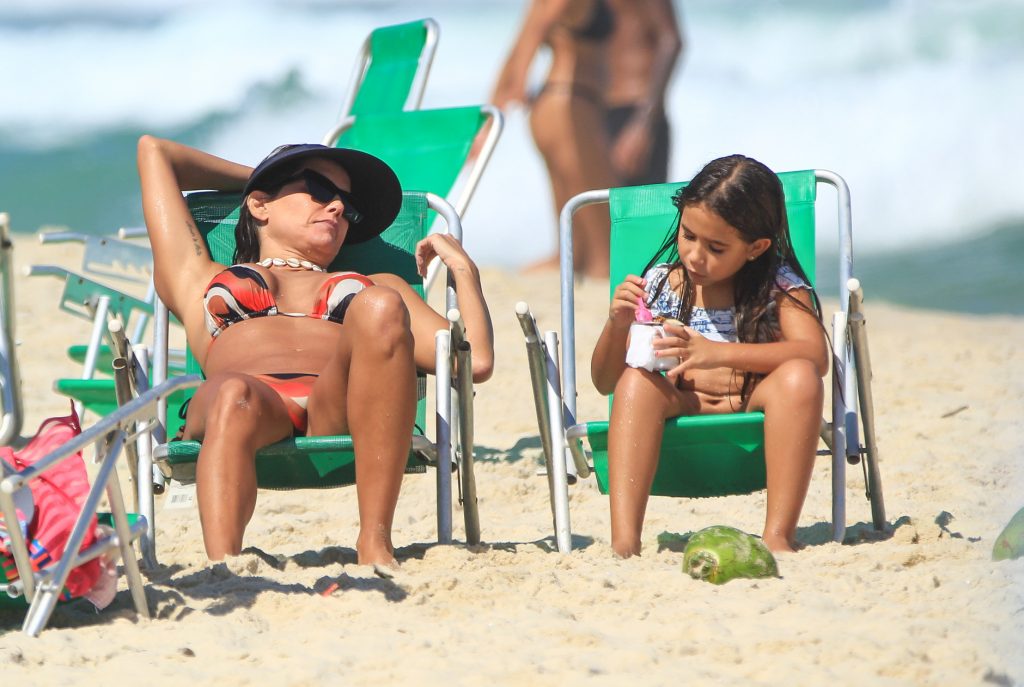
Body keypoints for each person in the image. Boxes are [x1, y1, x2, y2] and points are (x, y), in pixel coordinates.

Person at [136, 136, 494, 565]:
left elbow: (473, 361)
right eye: (320, 191)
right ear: (259, 205)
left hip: (334, 408)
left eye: (349, 206)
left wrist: (464, 270)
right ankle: (225, 566)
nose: (339, 208)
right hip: (242, 402)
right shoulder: (199, 277)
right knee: (234, 393)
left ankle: (375, 541)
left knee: (380, 304)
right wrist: (260, 179)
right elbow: (155, 152)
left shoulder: (377, 284)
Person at [590, 155, 828, 556]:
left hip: (753, 401)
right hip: (684, 401)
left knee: (800, 376)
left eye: (716, 247)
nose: (695, 256)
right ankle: (625, 543)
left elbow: (815, 355)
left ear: (756, 247)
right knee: (635, 381)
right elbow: (604, 382)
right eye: (688, 236)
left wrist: (717, 353)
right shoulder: (662, 283)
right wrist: (617, 325)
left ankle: (778, 536)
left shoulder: (778, 286)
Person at [491, 0, 618, 279]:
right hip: (570, 105)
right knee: (602, 245)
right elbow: (537, 30)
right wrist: (521, 79)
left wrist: (492, 111)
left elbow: (520, 42)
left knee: (575, 243)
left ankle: (550, 274)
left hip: (555, 103)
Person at [604, 0, 683, 187]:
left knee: (641, 213)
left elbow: (671, 40)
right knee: (596, 210)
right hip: (596, 112)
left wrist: (643, 123)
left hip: (634, 111)